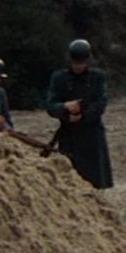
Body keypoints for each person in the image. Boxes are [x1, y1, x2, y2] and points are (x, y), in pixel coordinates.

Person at [45, 39, 113, 190]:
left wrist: (84, 115)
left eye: (81, 63)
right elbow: (50, 105)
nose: (78, 67)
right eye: (75, 63)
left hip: (92, 133)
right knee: (70, 179)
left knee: (95, 180)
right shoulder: (59, 78)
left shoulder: (97, 77)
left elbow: (101, 103)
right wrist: (65, 107)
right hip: (68, 134)